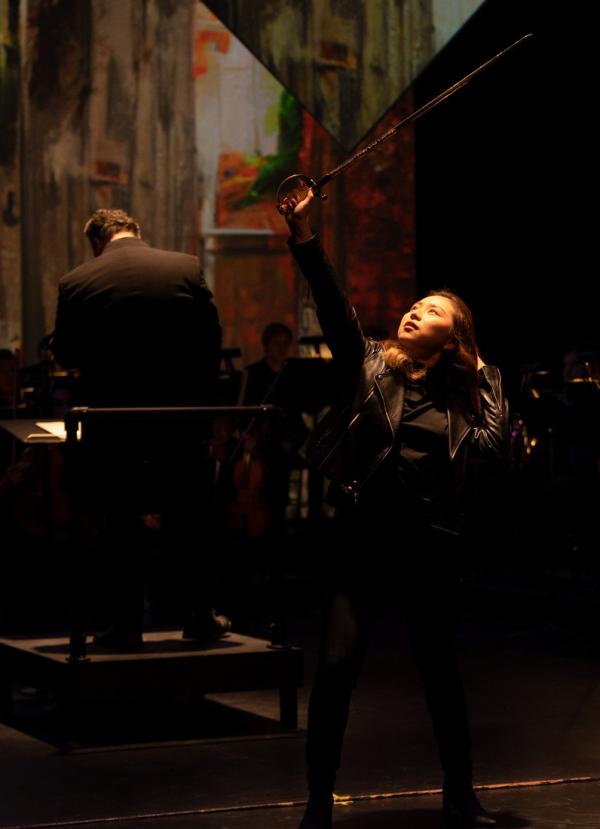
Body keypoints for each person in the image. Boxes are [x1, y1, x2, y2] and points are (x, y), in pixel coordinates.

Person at [282, 189, 509, 828]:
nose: (413, 311)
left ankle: (461, 795)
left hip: (429, 549)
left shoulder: (467, 394)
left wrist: (484, 373)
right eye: (413, 305)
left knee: (441, 676)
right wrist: (305, 236)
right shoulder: (369, 364)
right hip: (362, 544)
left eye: (431, 309)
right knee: (333, 674)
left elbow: (492, 448)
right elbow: (331, 302)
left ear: (456, 334)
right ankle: (319, 799)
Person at [52, 208, 230, 648]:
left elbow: (67, 354)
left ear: (97, 241)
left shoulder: (77, 281)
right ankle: (198, 617)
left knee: (119, 524)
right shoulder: (184, 266)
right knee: (190, 522)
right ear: (137, 230)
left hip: (115, 425)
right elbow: (212, 339)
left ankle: (120, 627)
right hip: (180, 419)